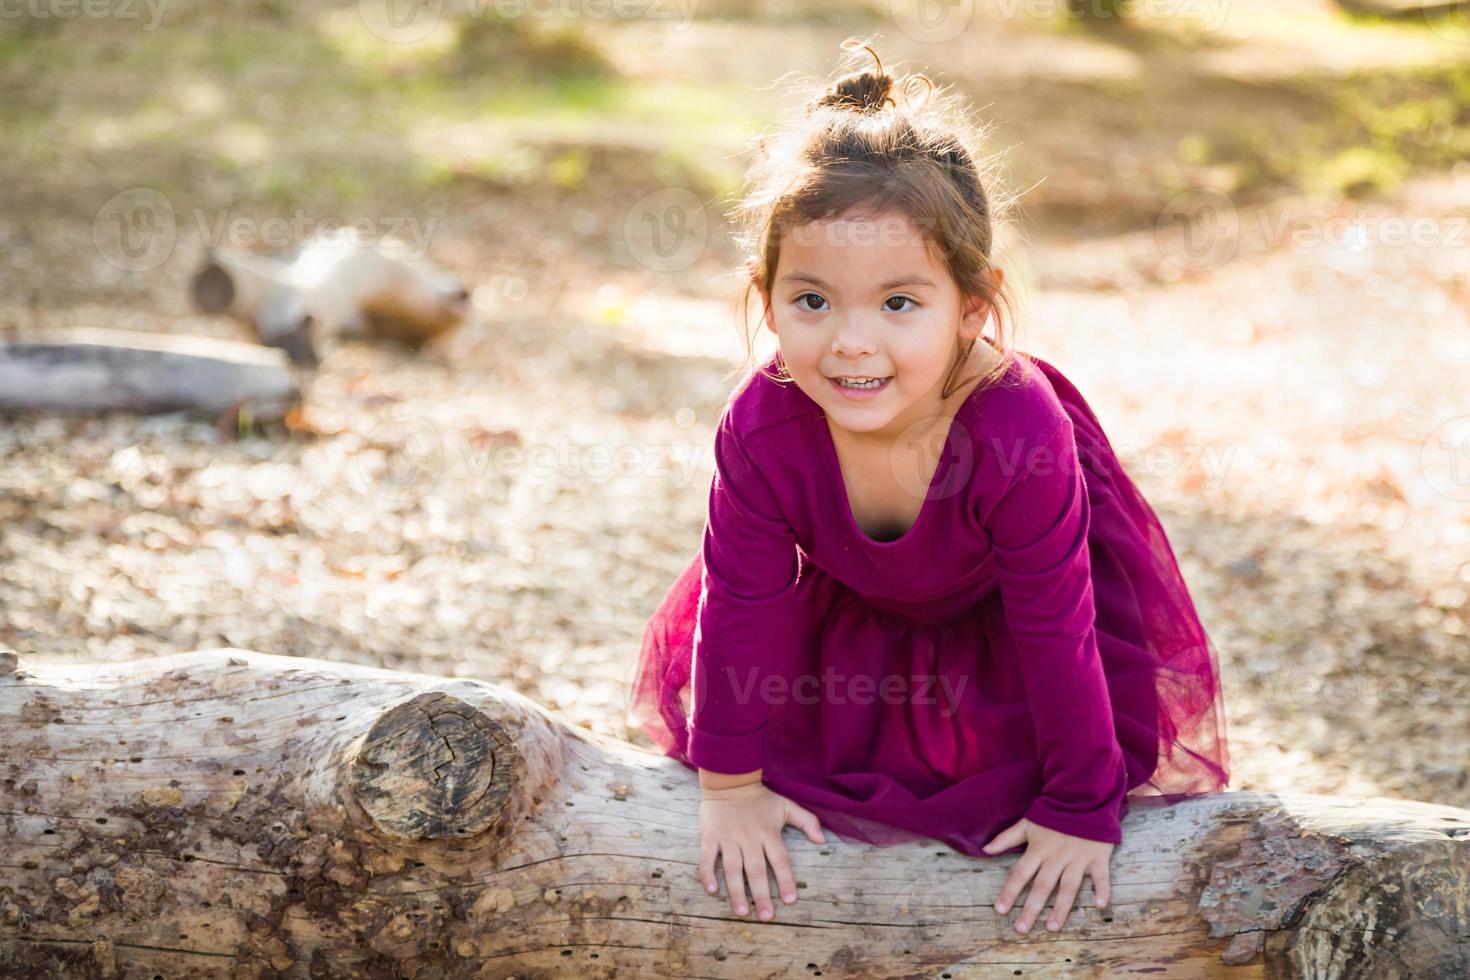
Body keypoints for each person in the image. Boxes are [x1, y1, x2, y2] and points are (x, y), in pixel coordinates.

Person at [625, 38, 1230, 937]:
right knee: (796, 750)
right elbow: (742, 602)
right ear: (767, 296)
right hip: (853, 618)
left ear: (973, 307)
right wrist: (731, 787)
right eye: (812, 300)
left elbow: (1053, 626)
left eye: (899, 303)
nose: (851, 342)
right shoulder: (764, 422)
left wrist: (1078, 805)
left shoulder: (1016, 431)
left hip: (1009, 617)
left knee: (1012, 767)